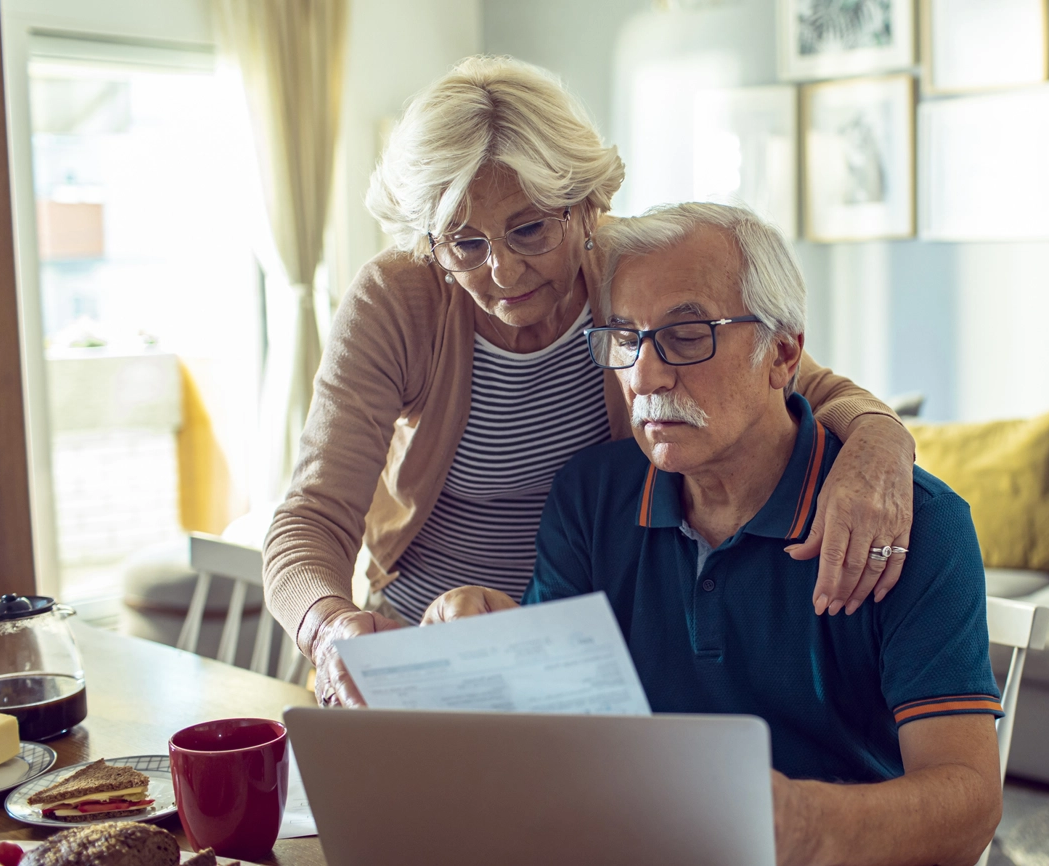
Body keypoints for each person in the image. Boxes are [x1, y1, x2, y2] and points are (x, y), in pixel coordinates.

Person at [262, 55, 921, 708]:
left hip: (589, 658)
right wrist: (329, 627)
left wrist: (879, 441)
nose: (503, 272)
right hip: (421, 647)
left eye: (529, 229)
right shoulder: (399, 299)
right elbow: (311, 517)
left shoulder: (629, 278)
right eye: (465, 244)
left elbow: (796, 377)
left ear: (585, 207)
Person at [427, 202, 1002, 866]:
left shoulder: (915, 524)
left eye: (687, 334)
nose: (644, 377)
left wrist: (804, 826)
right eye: (624, 338)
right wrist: (483, 640)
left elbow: (969, 803)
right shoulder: (589, 497)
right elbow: (552, 732)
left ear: (782, 352)